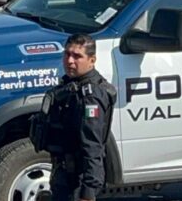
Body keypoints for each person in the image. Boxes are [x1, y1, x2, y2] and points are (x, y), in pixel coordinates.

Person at [29, 34, 117, 201]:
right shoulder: (71, 85)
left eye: (77, 56)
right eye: (67, 54)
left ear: (92, 60)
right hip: (63, 175)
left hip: (77, 181)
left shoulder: (90, 96)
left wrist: (88, 192)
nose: (70, 61)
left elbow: (92, 145)